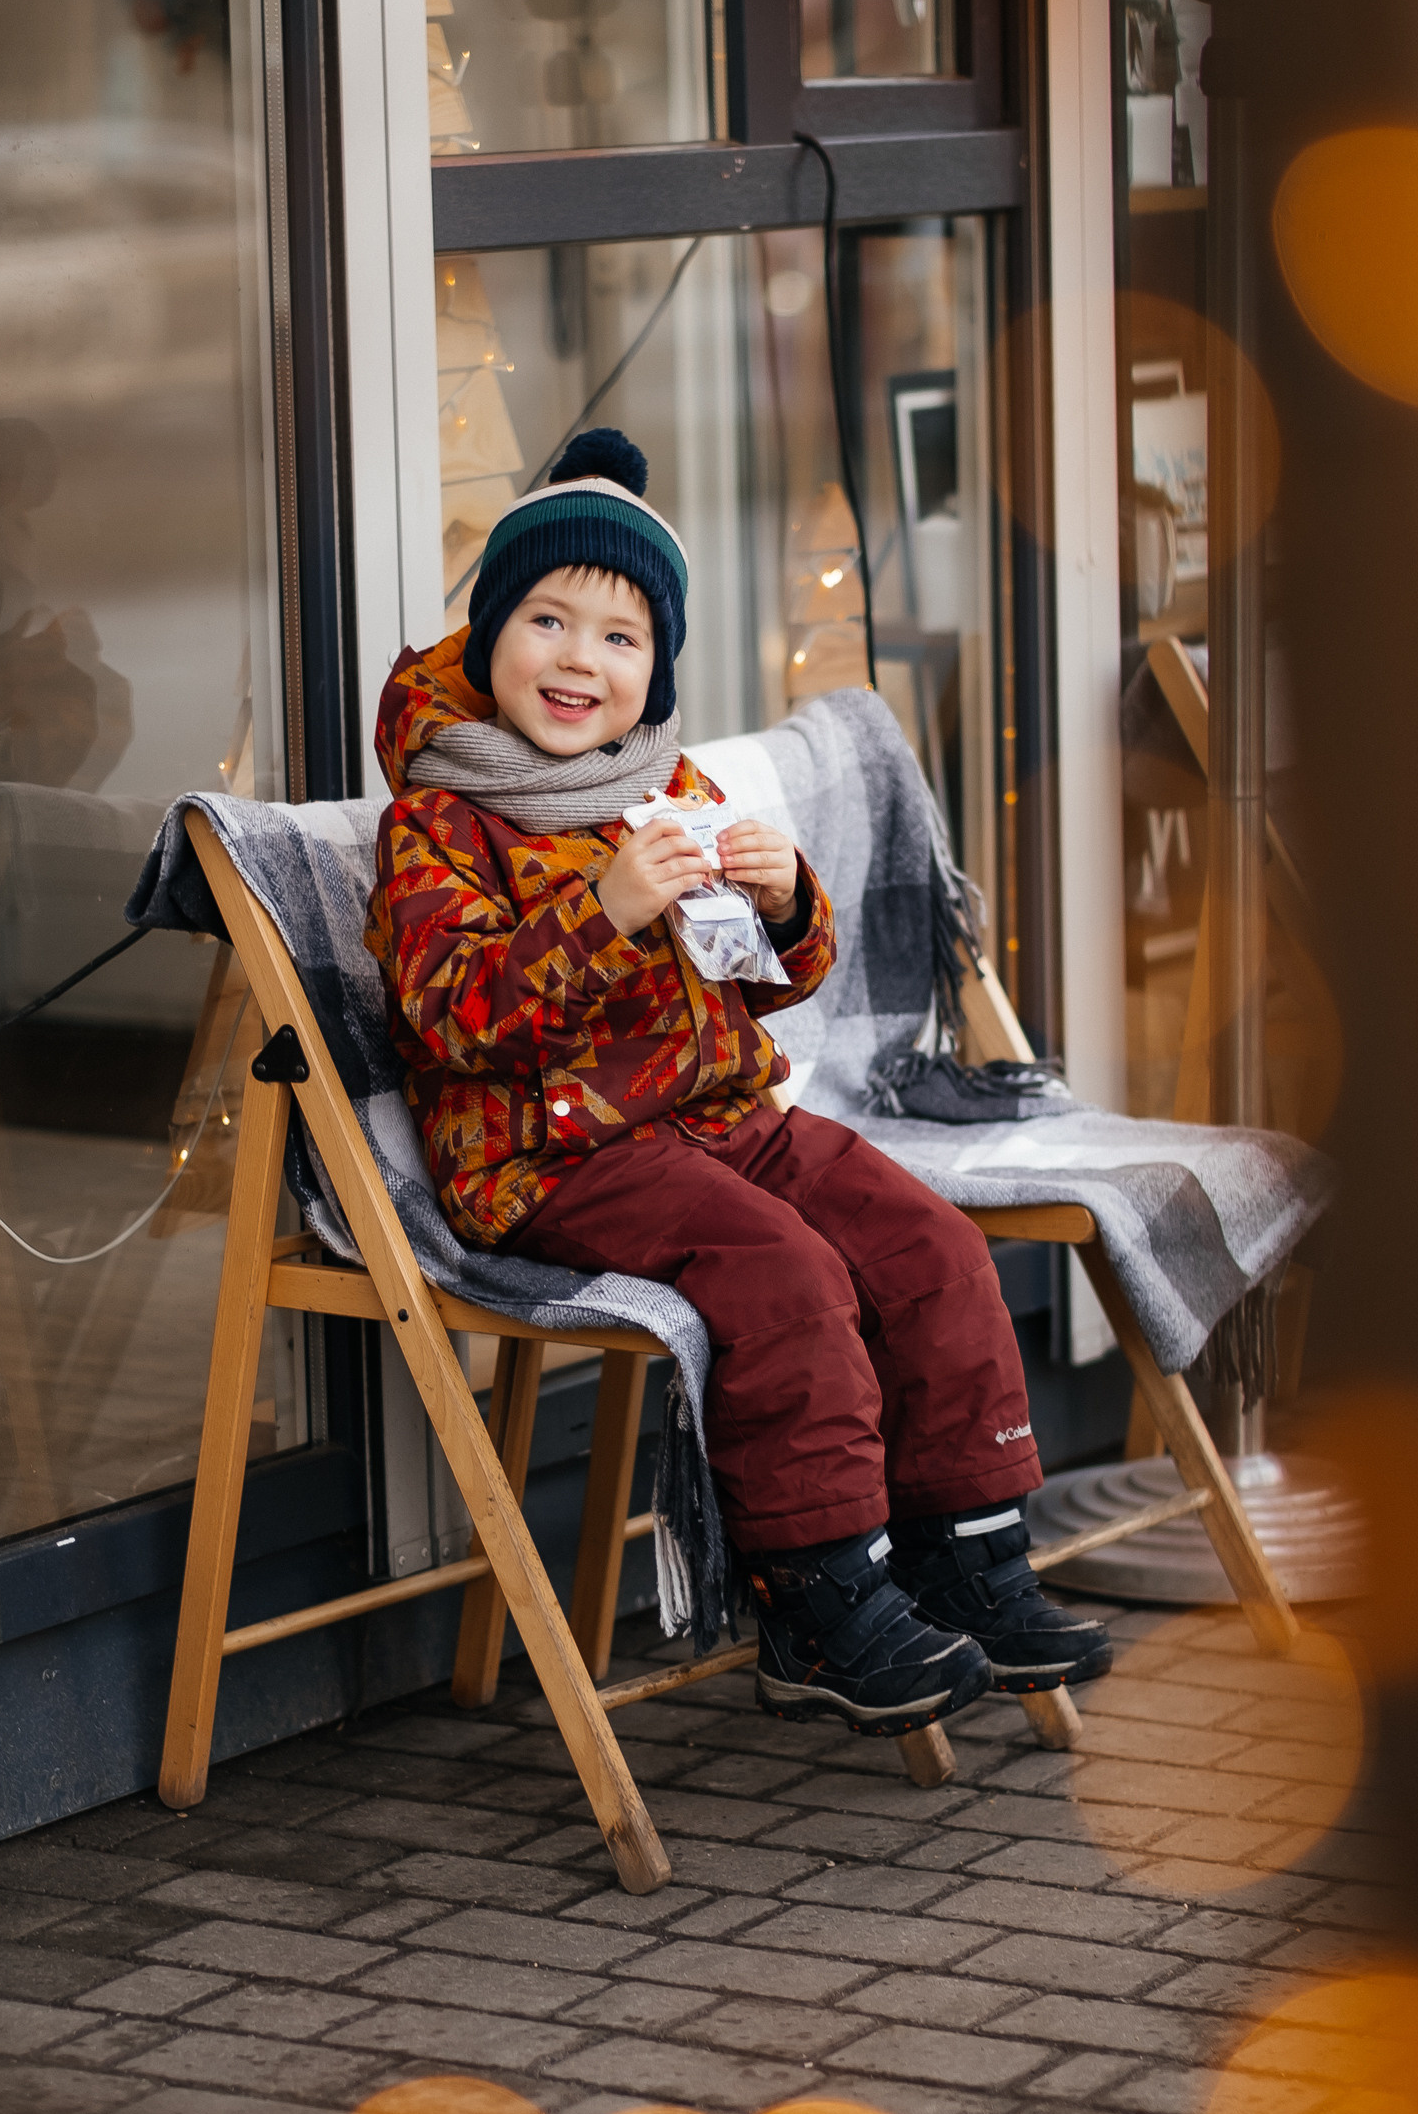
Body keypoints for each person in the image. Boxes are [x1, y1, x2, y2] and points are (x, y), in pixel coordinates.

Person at [364, 426, 1110, 1736]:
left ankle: (970, 1559)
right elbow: (450, 1017)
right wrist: (602, 910)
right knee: (788, 1275)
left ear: (654, 671)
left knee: (928, 1243)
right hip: (558, 1155)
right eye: (547, 620)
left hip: (720, 1122)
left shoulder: (668, 783)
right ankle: (818, 1601)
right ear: (488, 638)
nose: (580, 660)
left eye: (621, 637)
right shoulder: (441, 818)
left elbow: (767, 982)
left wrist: (784, 899)